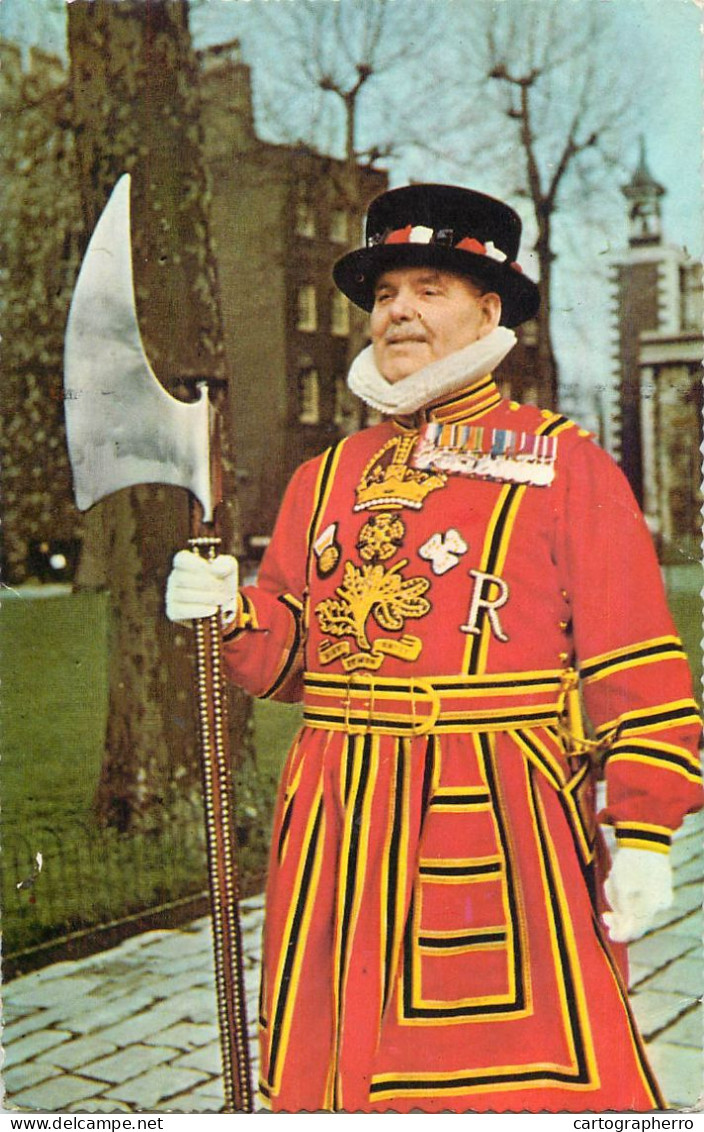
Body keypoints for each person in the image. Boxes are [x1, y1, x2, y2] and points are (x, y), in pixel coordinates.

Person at [166, 184, 702, 1113]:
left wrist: (647, 831)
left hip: (493, 818)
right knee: (333, 1076)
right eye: (384, 296)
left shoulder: (565, 461)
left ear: (489, 310)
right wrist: (231, 613)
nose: (399, 312)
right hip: (334, 820)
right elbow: (293, 658)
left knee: (503, 1086)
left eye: (429, 288)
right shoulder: (322, 475)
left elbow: (636, 659)